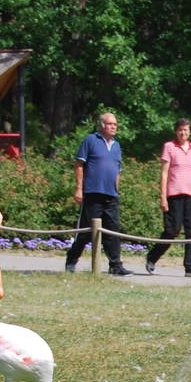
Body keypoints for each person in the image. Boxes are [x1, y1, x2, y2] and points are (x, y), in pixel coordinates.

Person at [65, 111, 130, 275]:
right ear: (102, 125)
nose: (113, 127)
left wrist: (117, 190)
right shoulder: (90, 140)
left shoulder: (116, 145)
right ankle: (71, 260)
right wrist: (79, 188)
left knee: (113, 230)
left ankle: (115, 265)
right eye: (110, 124)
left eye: (115, 124)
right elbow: (79, 164)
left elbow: (117, 170)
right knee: (86, 231)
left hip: (111, 195)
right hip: (93, 192)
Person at [146, 118, 191, 277]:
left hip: (190, 194)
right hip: (174, 194)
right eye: (180, 130)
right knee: (172, 230)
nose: (183, 133)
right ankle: (152, 257)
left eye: (185, 130)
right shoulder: (169, 147)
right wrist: (163, 197)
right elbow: (164, 174)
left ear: (189, 131)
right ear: (176, 131)